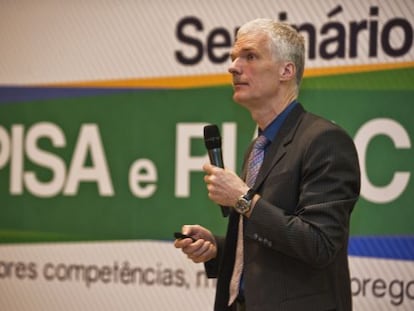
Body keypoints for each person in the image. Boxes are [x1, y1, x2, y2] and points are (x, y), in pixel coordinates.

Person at [174, 18, 360, 311]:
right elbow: (266, 246)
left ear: (287, 70)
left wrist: (243, 199)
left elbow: (319, 245)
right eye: (234, 57)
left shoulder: (325, 140)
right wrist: (217, 249)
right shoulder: (258, 147)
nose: (233, 67)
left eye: (249, 56)